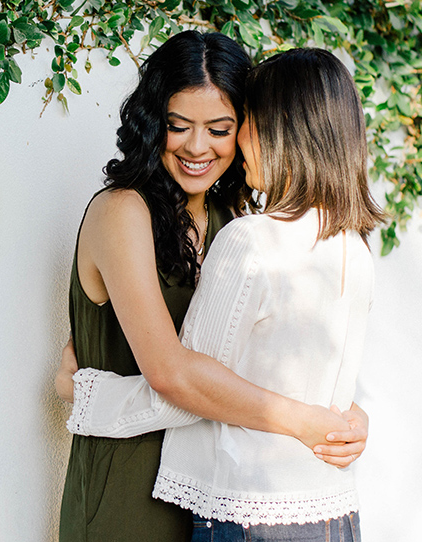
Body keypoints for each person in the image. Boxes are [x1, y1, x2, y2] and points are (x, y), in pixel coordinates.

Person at [59, 47, 385, 541]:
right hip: (131, 485)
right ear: (152, 122)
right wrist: (305, 418)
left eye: (219, 129)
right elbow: (173, 374)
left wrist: (344, 414)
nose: (196, 147)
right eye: (178, 124)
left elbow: (260, 364)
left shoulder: (232, 222)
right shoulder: (122, 211)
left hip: (210, 493)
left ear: (249, 130)